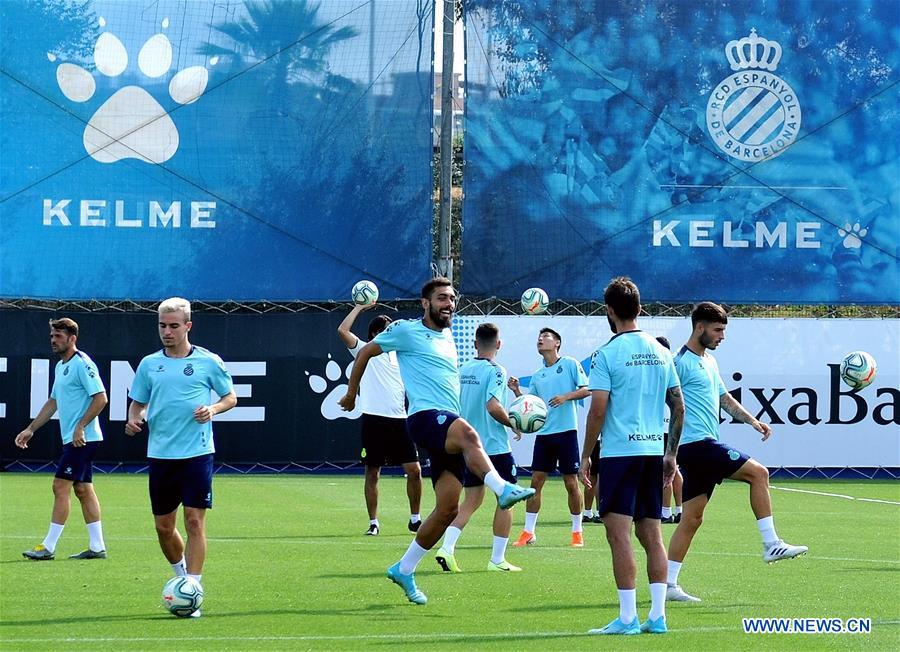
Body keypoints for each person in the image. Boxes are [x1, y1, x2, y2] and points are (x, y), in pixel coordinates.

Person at [338, 277, 535, 605]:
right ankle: (503, 489)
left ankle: (404, 568)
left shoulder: (447, 338)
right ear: (426, 303)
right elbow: (365, 353)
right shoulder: (405, 329)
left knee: (447, 510)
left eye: (453, 298)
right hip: (424, 417)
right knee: (470, 435)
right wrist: (351, 391)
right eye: (442, 298)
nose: (449, 303)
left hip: (445, 419)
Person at [666, 302, 808, 603]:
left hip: (700, 446)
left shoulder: (709, 362)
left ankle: (668, 585)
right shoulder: (680, 363)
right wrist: (669, 451)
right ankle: (771, 543)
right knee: (759, 473)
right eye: (717, 330)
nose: (722, 336)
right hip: (697, 445)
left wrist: (753, 421)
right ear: (699, 327)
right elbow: (670, 406)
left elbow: (724, 399)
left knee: (691, 519)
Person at [582, 277, 685, 635]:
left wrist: (584, 457)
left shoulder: (607, 354)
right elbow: (678, 406)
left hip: (620, 455)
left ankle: (627, 618)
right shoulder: (661, 351)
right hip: (653, 451)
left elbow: (597, 411)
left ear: (608, 311)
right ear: (639, 308)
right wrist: (670, 454)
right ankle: (657, 616)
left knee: (619, 535)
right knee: (652, 535)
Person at [126, 298, 236, 616]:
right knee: (163, 527)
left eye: (174, 325)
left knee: (194, 522)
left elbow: (231, 396)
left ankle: (194, 590)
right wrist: (135, 418)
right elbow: (138, 403)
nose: (167, 331)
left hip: (197, 453)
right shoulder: (148, 365)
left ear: (188, 326)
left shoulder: (208, 361)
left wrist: (212, 408)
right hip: (160, 454)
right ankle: (181, 582)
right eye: (162, 325)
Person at [433, 323, 523, 573]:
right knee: (507, 500)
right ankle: (497, 560)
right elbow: (493, 406)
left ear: (474, 344)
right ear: (499, 344)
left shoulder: (462, 370)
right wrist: (513, 424)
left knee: (471, 500)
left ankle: (447, 549)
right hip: (493, 447)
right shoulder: (496, 371)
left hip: (467, 448)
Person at [16, 318, 109, 560]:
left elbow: (101, 398)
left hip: (83, 439)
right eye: (51, 336)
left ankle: (48, 546)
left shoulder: (82, 364)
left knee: (60, 486)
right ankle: (97, 547)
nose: (53, 341)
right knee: (83, 489)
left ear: (72, 338)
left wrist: (80, 426)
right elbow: (53, 401)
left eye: (58, 336)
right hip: (75, 438)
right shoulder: (61, 366)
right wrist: (31, 429)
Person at [337, 302, 422, 536]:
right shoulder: (364, 349)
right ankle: (373, 522)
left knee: (414, 470)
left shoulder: (401, 356)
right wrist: (359, 308)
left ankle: (415, 519)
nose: (392, 334)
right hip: (374, 420)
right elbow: (342, 331)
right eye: (387, 330)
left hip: (400, 420)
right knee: (373, 472)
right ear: (375, 334)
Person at [509, 328, 589, 548]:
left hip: (566, 432)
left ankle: (577, 532)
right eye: (539, 338)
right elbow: (529, 405)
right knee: (536, 482)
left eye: (546, 337)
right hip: (544, 434)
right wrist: (516, 391)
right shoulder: (538, 375)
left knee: (571, 482)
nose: (540, 340)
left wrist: (566, 396)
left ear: (557, 343)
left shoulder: (570, 363)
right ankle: (528, 532)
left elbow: (586, 389)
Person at [655, 336, 683, 524]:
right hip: (673, 425)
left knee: (664, 471)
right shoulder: (676, 366)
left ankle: (665, 512)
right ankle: (680, 510)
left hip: (662, 426)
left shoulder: (661, 367)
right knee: (675, 470)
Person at [581, 443, 601, 524]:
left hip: (593, 443)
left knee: (592, 476)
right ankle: (599, 513)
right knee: (600, 476)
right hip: (603, 441)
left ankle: (587, 512)